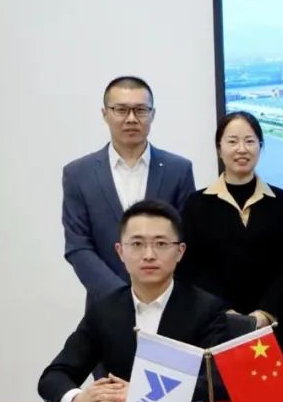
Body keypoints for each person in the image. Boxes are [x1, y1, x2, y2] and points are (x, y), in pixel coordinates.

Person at [39, 200, 228, 402]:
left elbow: (217, 383)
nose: (149, 255)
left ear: (180, 251)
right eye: (137, 244)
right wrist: (77, 399)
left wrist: (145, 393)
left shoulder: (207, 309)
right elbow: (53, 377)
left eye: (161, 244)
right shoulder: (104, 311)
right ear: (120, 251)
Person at [179, 112, 283, 391]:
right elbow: (192, 270)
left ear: (261, 146)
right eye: (232, 141)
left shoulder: (282, 204)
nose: (241, 149)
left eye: (249, 141)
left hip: (269, 329)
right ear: (219, 148)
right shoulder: (196, 205)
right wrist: (227, 315)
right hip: (216, 329)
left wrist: (265, 314)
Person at [62, 76, 196, 304]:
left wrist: (158, 293)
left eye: (140, 110)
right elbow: (78, 245)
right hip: (105, 304)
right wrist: (120, 296)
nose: (131, 118)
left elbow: (185, 238)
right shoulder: (78, 174)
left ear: (152, 114)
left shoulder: (178, 170)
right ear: (105, 114)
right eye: (121, 110)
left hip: (167, 303)